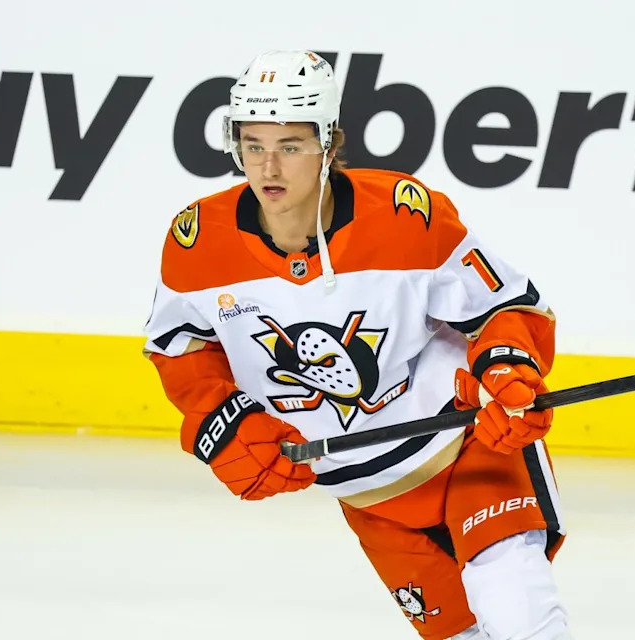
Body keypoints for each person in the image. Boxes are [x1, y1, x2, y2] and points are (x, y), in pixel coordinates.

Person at [143, 50, 571, 640]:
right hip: (368, 496)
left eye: (291, 146)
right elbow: (179, 348)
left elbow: (504, 306)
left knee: (518, 615)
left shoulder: (403, 218)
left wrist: (507, 372)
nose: (268, 165)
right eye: (252, 143)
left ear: (329, 143)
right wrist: (224, 421)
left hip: (472, 447)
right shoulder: (196, 244)